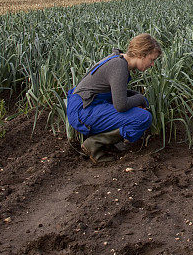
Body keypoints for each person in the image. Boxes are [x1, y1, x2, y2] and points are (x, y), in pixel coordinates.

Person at [66, 33, 161, 164]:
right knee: (143, 117)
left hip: (86, 105)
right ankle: (94, 144)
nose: (152, 64)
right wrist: (140, 99)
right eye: (151, 59)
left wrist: (135, 98)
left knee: (136, 109)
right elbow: (120, 105)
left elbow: (115, 91)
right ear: (141, 55)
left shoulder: (119, 60)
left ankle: (109, 144)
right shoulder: (119, 66)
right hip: (83, 111)